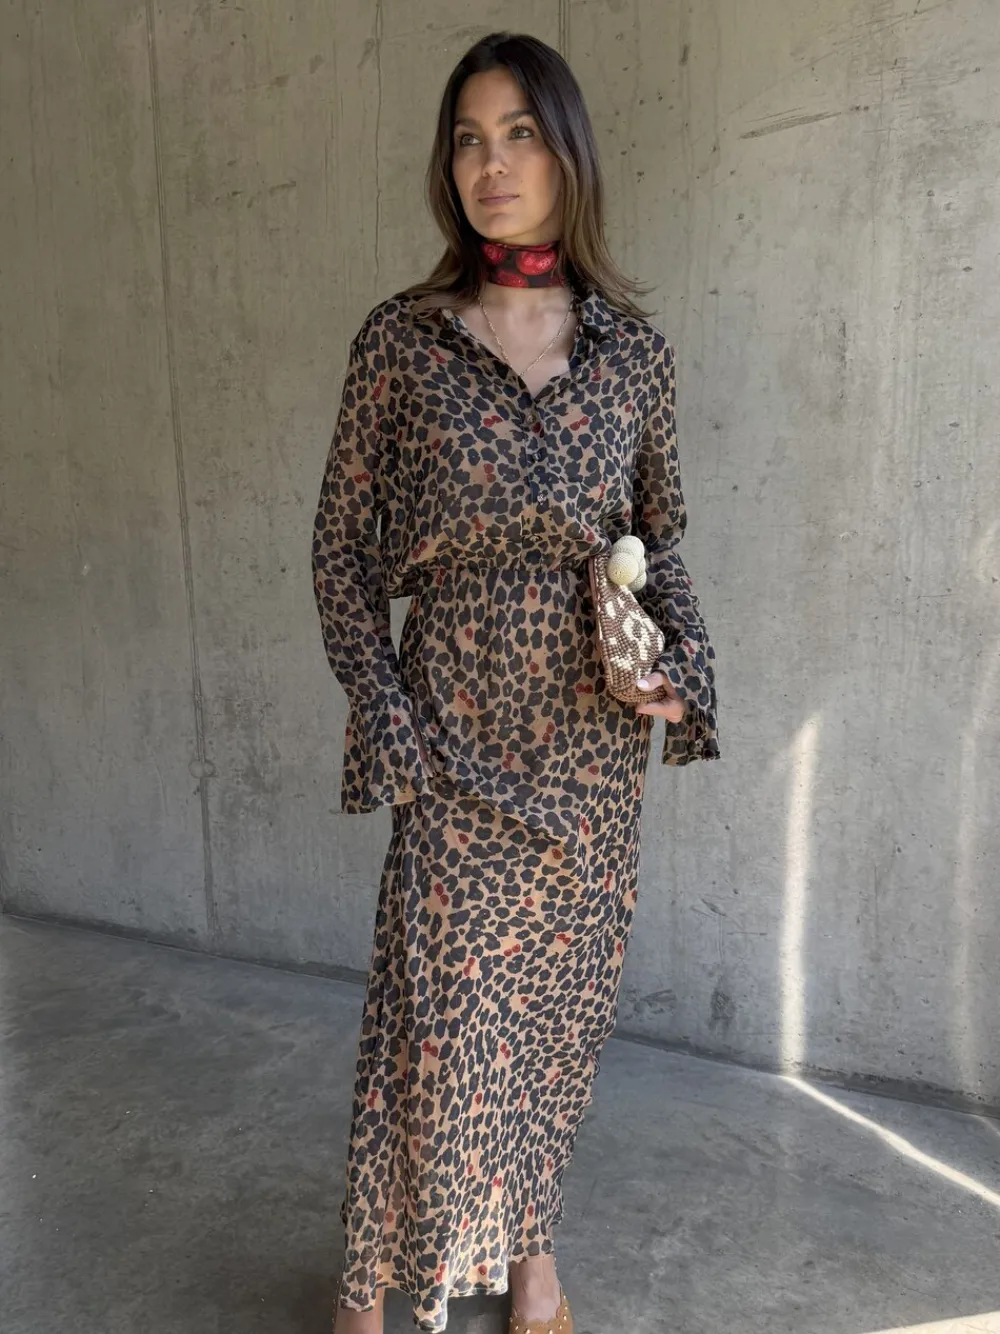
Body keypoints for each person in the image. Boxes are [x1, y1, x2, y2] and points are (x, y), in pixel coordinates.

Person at [312, 29, 719, 1334]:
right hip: (452, 730)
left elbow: (660, 546)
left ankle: (532, 1247)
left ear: (567, 153)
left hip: (590, 748)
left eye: (520, 134)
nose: (492, 164)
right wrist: (388, 718)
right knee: (429, 1024)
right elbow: (340, 552)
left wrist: (682, 674)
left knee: (553, 1019)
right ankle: (370, 1289)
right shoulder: (403, 342)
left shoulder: (632, 355)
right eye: (469, 140)